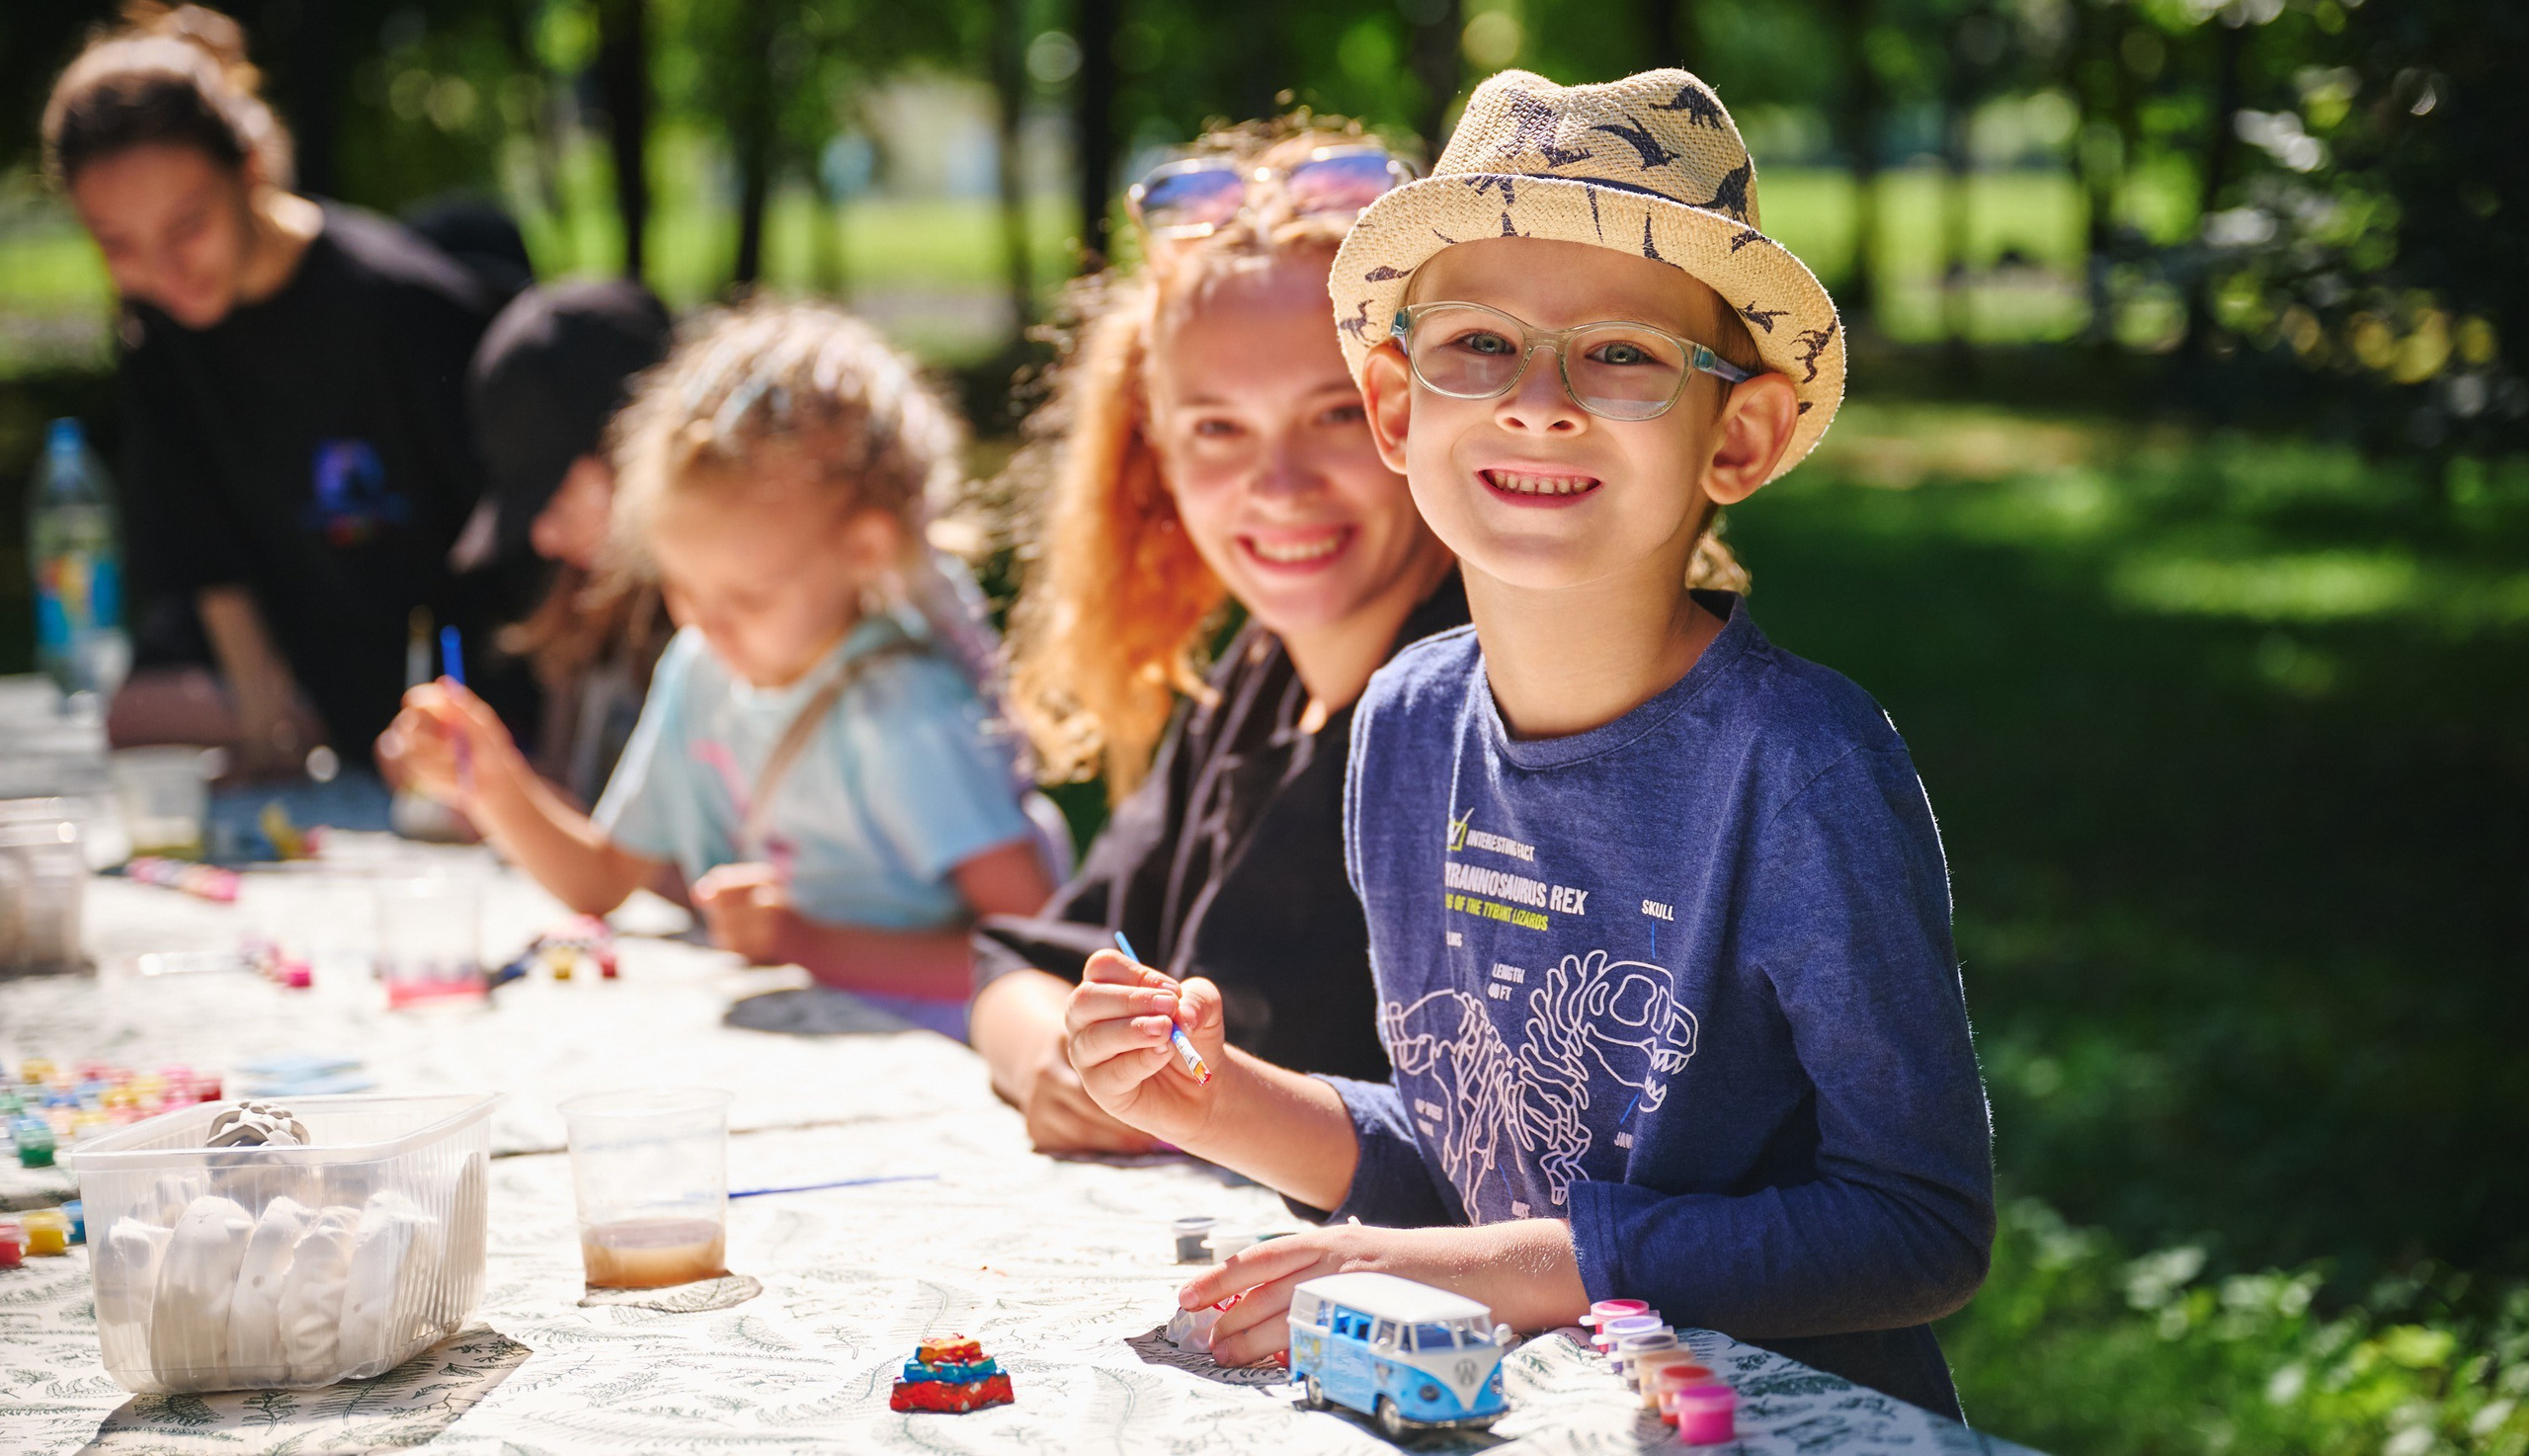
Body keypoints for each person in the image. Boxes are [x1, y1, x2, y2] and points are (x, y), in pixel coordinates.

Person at [1062, 70, 1994, 1416]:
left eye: (1621, 352)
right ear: (1396, 409)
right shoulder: (1404, 723)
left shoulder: (1803, 765)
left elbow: (1917, 1225)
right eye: (1478, 345)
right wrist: (1213, 1097)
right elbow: (1471, 1161)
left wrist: (1521, 1266)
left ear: (1738, 434)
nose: (1537, 401)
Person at [968, 121, 1463, 1155]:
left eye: (1334, 414)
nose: (1277, 487)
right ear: (1156, 450)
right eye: (1217, 429)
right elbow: (1024, 962)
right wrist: (1060, 1063)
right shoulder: (1261, 675)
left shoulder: (1498, 717)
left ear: (1424, 411)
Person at [384, 297, 1055, 1035]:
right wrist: (491, 780)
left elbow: (1031, 946)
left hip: (940, 1057)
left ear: (864, 549)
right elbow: (602, 879)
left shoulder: (905, 711)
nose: (706, 623)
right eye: (682, 589)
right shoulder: (701, 667)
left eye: (748, 597)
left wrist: (807, 943)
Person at [42, 0, 502, 773]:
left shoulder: (405, 305)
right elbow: (201, 549)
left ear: (249, 170)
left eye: (188, 227)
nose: (163, 272)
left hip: (442, 664)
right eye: (120, 246)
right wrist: (263, 730)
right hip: (304, 659)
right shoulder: (155, 334)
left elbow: (506, 547)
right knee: (127, 715)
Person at [441, 277, 675, 806]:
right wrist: (485, 781)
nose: (543, 540)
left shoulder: (732, 626)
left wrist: (525, 806)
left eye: (557, 498)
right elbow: (569, 786)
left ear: (638, 450)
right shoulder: (581, 613)